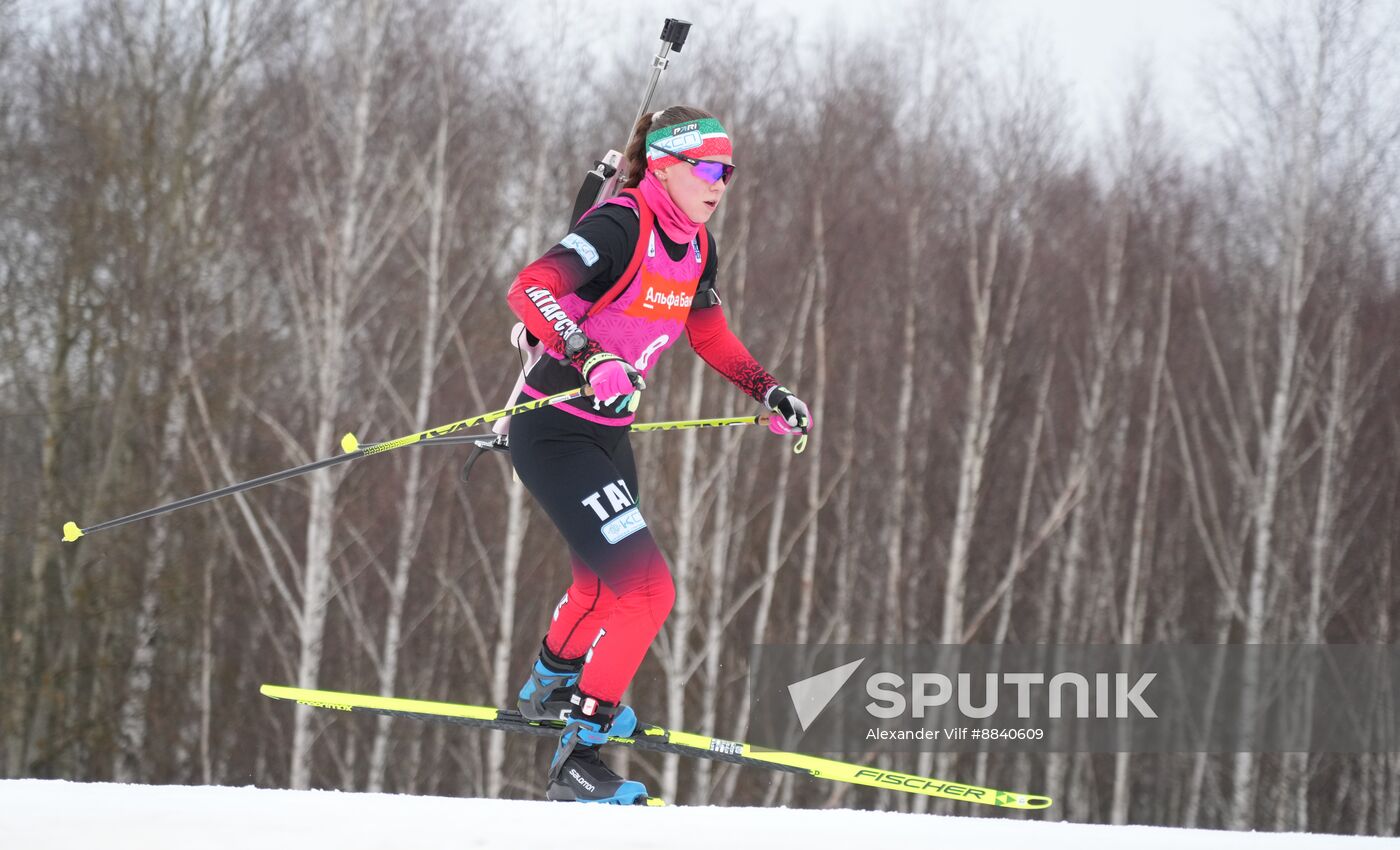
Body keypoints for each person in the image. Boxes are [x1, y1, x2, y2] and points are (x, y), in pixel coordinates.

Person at [504, 105, 812, 804]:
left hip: (608, 436)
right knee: (648, 591)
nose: (720, 183)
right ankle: (578, 755)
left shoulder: (698, 245)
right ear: (667, 166)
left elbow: (710, 336)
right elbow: (529, 288)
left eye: (728, 171)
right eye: (708, 169)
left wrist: (769, 390)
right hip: (553, 428)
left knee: (602, 586)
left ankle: (551, 688)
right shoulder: (621, 224)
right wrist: (587, 354)